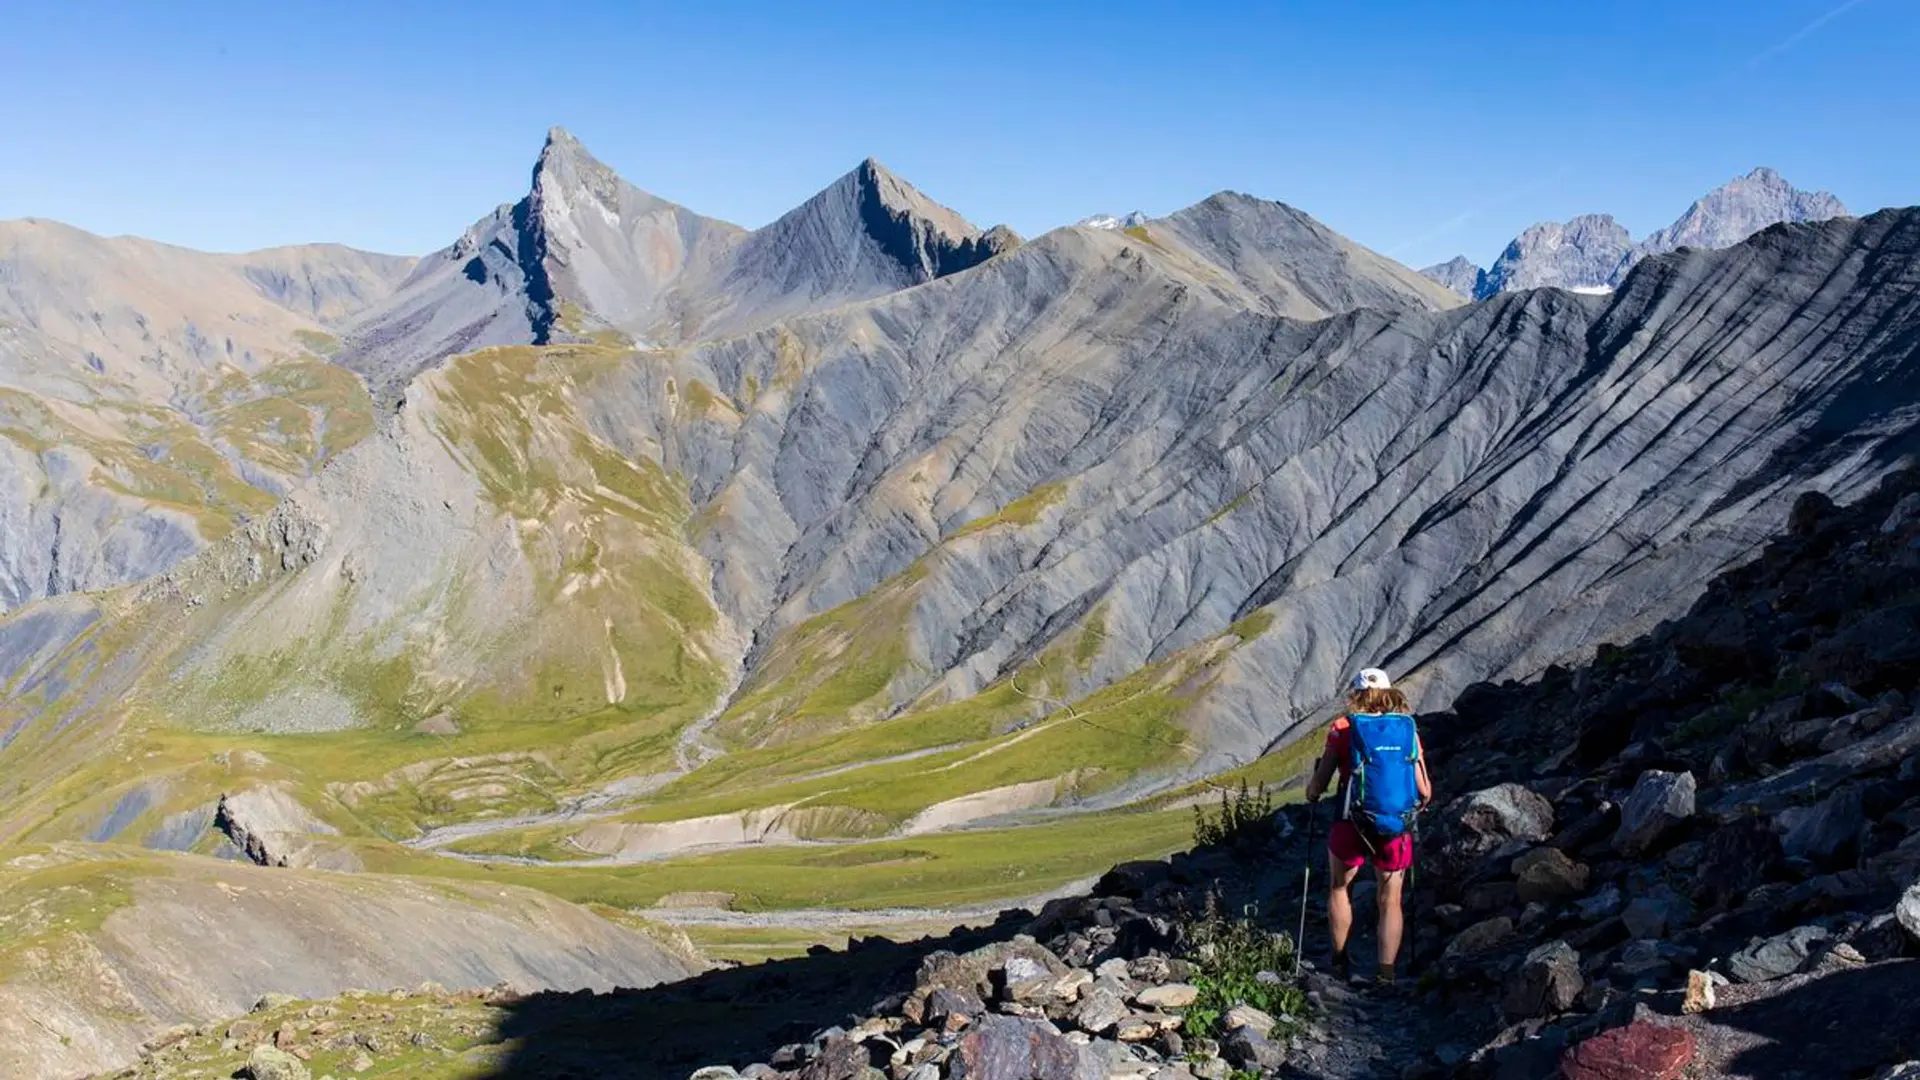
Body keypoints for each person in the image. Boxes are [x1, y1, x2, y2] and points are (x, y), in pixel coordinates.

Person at [1303, 667, 1432, 988]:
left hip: (1351, 821)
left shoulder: (1343, 728)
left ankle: (1339, 962)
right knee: (1390, 900)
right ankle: (1386, 973)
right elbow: (1425, 791)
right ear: (1388, 692)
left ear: (1356, 695)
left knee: (1338, 888)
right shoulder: (1407, 731)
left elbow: (1320, 783)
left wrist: (1313, 792)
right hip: (1394, 826)